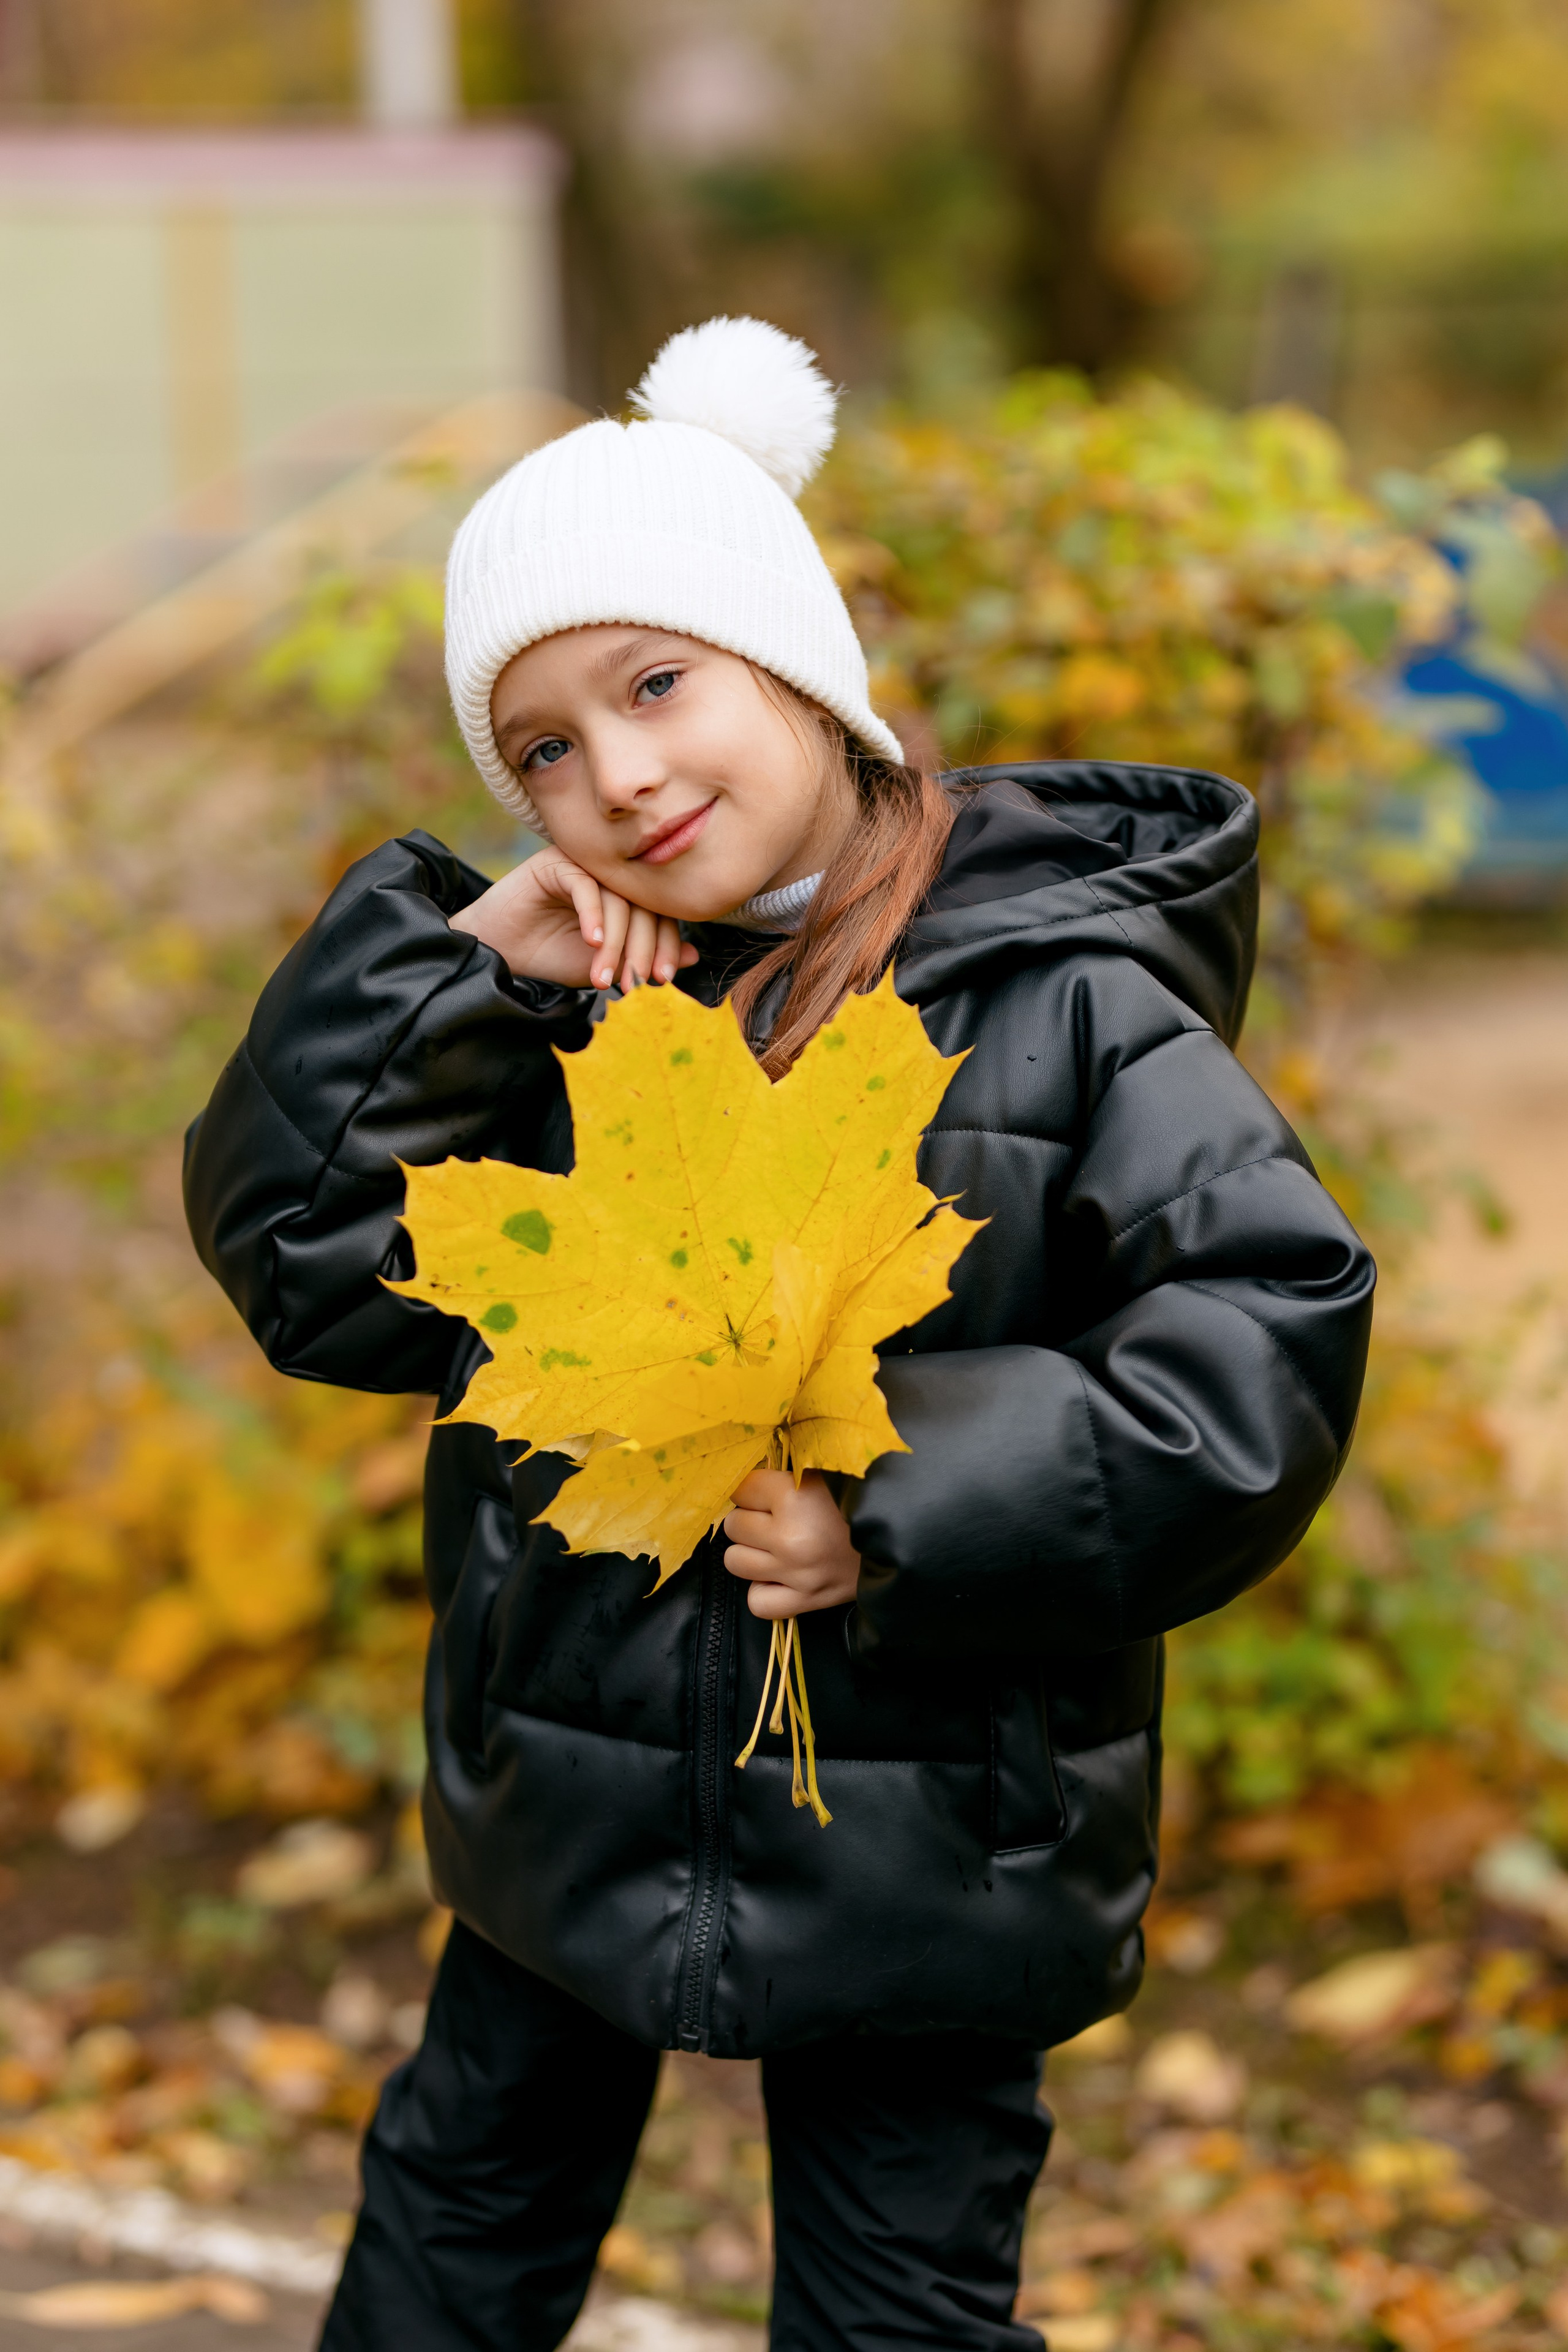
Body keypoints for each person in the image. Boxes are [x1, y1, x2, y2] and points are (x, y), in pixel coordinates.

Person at [184, 316, 1375, 2352]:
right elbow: (311, 1260)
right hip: (567, 1782)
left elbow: (1260, 1336)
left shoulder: (1066, 1003)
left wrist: (892, 1494)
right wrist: (459, 971)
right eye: (543, 747)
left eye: (657, 685)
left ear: (801, 672)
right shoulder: (561, 1018)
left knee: (892, 2306)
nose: (616, 777)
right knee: (452, 2229)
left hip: (934, 1842)